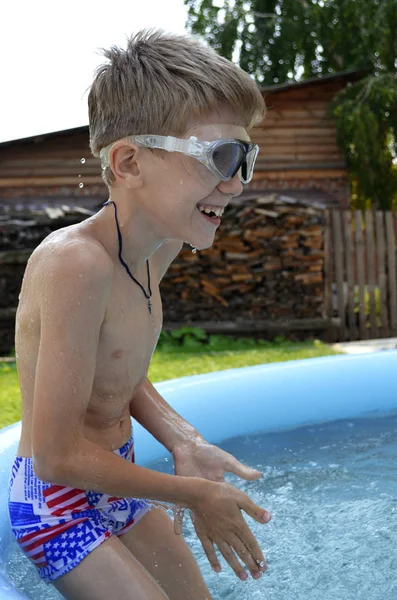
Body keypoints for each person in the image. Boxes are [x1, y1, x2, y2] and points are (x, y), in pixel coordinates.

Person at [7, 29, 272, 600]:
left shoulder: (159, 247)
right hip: (55, 502)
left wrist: (182, 440)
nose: (237, 183)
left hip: (112, 475)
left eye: (247, 159)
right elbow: (54, 458)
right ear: (128, 161)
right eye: (221, 156)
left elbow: (115, 368)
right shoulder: (76, 263)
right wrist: (192, 495)